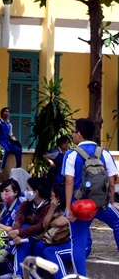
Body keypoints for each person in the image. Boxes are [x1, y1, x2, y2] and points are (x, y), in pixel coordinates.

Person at [62, 118, 119, 276]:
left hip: (80, 207)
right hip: (101, 204)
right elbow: (113, 181)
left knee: (78, 243)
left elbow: (68, 182)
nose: (73, 135)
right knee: (117, 223)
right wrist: (111, 201)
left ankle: (81, 276)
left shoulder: (71, 154)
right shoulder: (104, 153)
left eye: (73, 132)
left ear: (79, 134)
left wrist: (68, 208)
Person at [33, 183, 81, 279]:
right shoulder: (55, 209)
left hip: (76, 244)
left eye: (53, 195)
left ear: (59, 197)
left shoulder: (72, 208)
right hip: (60, 240)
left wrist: (52, 222)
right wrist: (51, 209)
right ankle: (35, 276)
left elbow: (58, 223)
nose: (51, 198)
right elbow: (45, 225)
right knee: (39, 245)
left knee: (49, 251)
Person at [8, 177, 51, 278]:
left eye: (28, 189)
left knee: (25, 237)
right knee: (23, 244)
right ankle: (18, 275)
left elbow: (40, 227)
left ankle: (16, 271)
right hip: (24, 237)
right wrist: (16, 233)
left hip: (39, 236)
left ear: (36, 192)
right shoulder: (26, 204)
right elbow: (19, 219)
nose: (26, 192)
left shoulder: (47, 207)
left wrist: (19, 232)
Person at [0, 107, 23, 173]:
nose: (7, 113)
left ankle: (18, 168)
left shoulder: (9, 124)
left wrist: (15, 140)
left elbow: (10, 135)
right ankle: (1, 168)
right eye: (5, 111)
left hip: (7, 141)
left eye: (8, 112)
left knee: (18, 150)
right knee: (6, 150)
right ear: (2, 113)